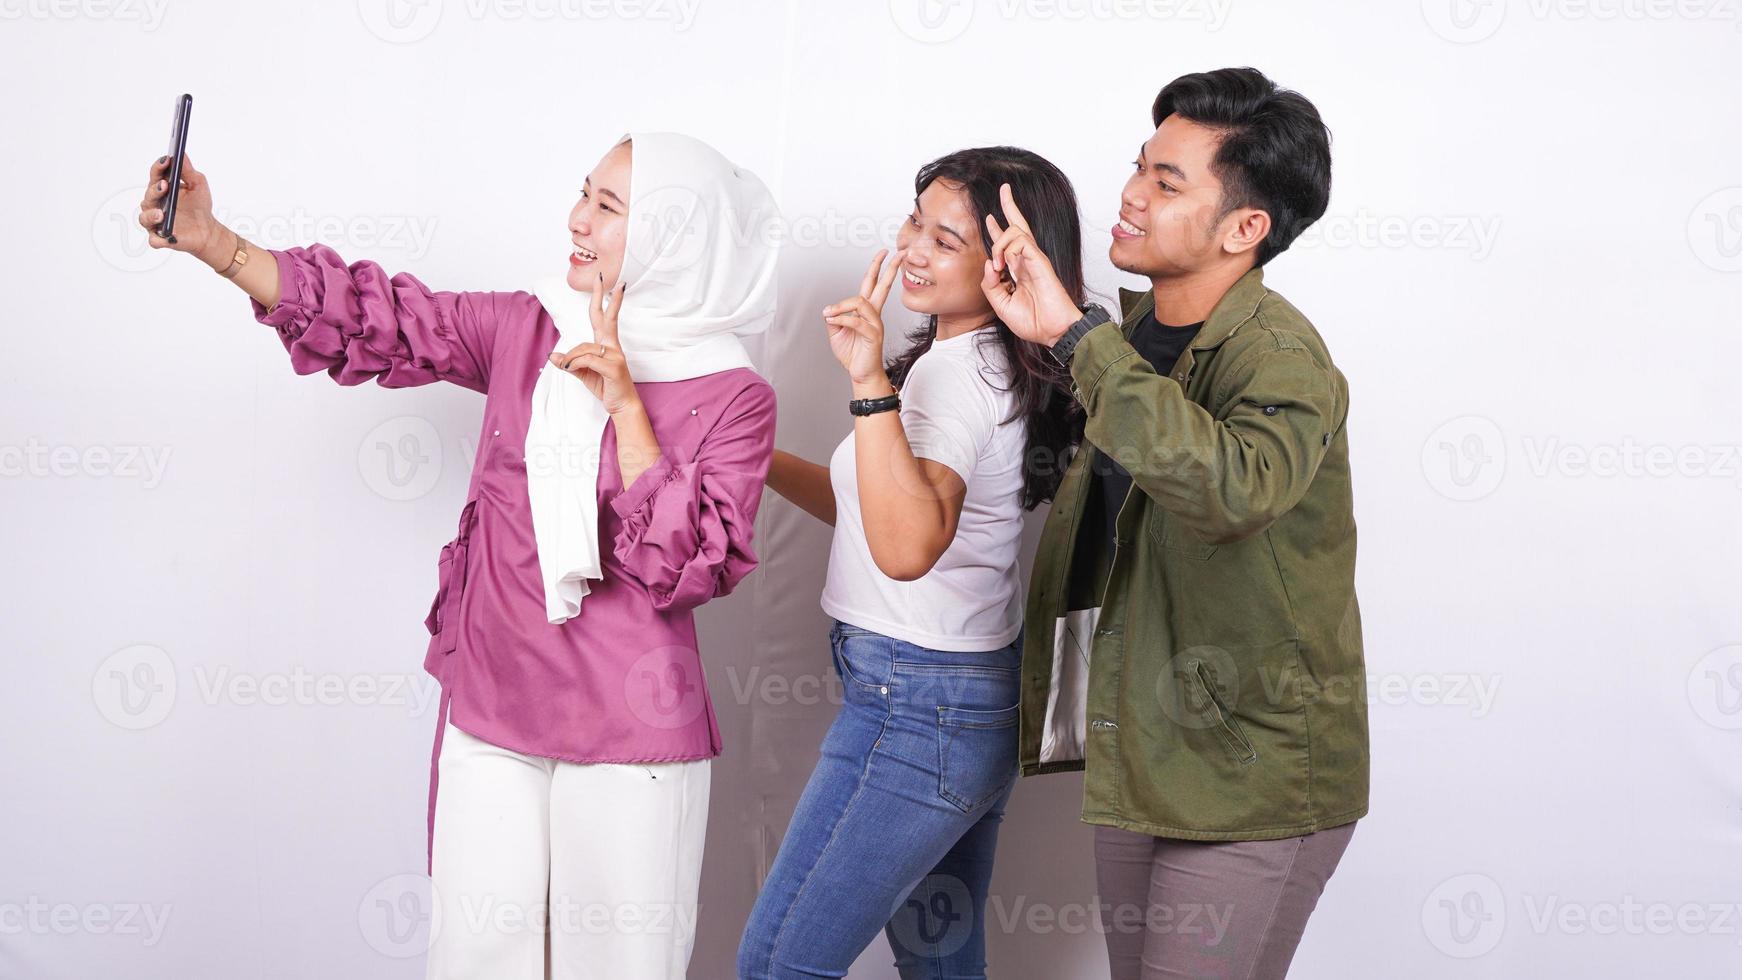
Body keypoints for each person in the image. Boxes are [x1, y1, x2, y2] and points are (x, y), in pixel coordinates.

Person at [136, 131, 782, 979]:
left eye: (609, 206)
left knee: (620, 967)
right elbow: (386, 318)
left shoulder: (734, 396)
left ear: (675, 235)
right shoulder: (528, 327)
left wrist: (625, 405)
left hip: (631, 734)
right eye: (583, 192)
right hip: (494, 705)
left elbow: (688, 567)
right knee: (475, 958)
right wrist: (216, 244)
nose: (576, 218)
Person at [980, 68, 1370, 979]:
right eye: (1138, 167)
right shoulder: (1134, 337)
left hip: (1253, 769)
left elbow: (1233, 488)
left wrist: (1077, 339)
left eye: (1167, 181)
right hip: (1147, 744)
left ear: (1246, 227)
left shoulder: (1279, 354)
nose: (1130, 194)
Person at [738, 147, 1086, 979]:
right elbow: (873, 505)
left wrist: (866, 380)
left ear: (1007, 262)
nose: (916, 252)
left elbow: (904, 546)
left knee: (779, 964)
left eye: (947, 240)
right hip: (967, 698)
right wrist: (748, 459)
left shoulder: (949, 381)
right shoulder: (985, 362)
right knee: (942, 969)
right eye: (915, 224)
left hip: (916, 707)